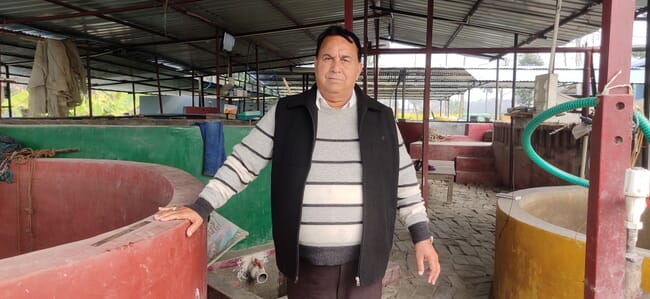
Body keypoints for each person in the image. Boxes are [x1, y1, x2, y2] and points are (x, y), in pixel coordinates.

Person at [155, 25, 440, 298]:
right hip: (305, 269)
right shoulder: (286, 114)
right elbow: (242, 164)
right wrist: (201, 207)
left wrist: (422, 237)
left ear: (358, 68)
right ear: (316, 64)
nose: (336, 66)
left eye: (345, 59)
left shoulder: (382, 119)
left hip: (365, 267)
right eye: (327, 57)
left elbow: (405, 185)